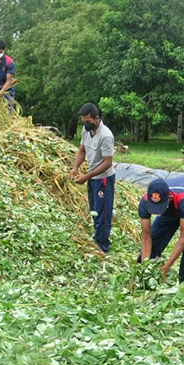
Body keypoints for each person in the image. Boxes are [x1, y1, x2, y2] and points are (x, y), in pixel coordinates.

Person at [137, 176, 184, 284]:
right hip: (171, 207)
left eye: (160, 207)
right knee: (155, 239)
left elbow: (183, 238)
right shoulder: (145, 202)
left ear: (169, 198)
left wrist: (167, 266)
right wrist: (144, 267)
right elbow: (146, 237)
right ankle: (145, 278)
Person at [70, 103, 116, 253]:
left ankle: (103, 247)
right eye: (83, 122)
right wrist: (75, 168)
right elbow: (82, 151)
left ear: (96, 118)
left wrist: (87, 176)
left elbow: (107, 163)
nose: (85, 125)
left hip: (103, 179)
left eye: (88, 122)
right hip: (92, 177)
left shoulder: (106, 136)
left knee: (103, 212)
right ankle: (98, 238)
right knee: (94, 209)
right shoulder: (85, 130)